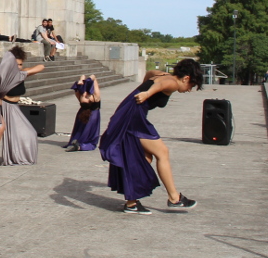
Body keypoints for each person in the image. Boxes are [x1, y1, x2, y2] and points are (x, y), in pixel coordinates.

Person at [100, 58, 203, 214]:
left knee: (145, 157)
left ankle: (131, 203)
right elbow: (160, 85)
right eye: (191, 86)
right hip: (134, 117)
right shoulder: (173, 83)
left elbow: (150, 74)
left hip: (131, 112)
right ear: (186, 78)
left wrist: (143, 90)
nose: (189, 89)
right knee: (162, 152)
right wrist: (147, 93)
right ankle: (175, 199)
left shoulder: (161, 74)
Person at [0, 46, 45, 169]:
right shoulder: (4, 76)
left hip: (14, 108)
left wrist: (24, 71)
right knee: (0, 128)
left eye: (20, 64)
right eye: (16, 64)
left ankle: (17, 155)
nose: (18, 67)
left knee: (30, 133)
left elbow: (41, 67)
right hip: (1, 105)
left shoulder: (21, 75)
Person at [65, 74, 101, 151]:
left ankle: (77, 142)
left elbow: (82, 77)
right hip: (93, 114)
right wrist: (88, 80)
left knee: (79, 129)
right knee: (91, 133)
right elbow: (93, 77)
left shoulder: (81, 96)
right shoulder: (95, 96)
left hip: (82, 113)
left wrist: (81, 80)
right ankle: (81, 146)